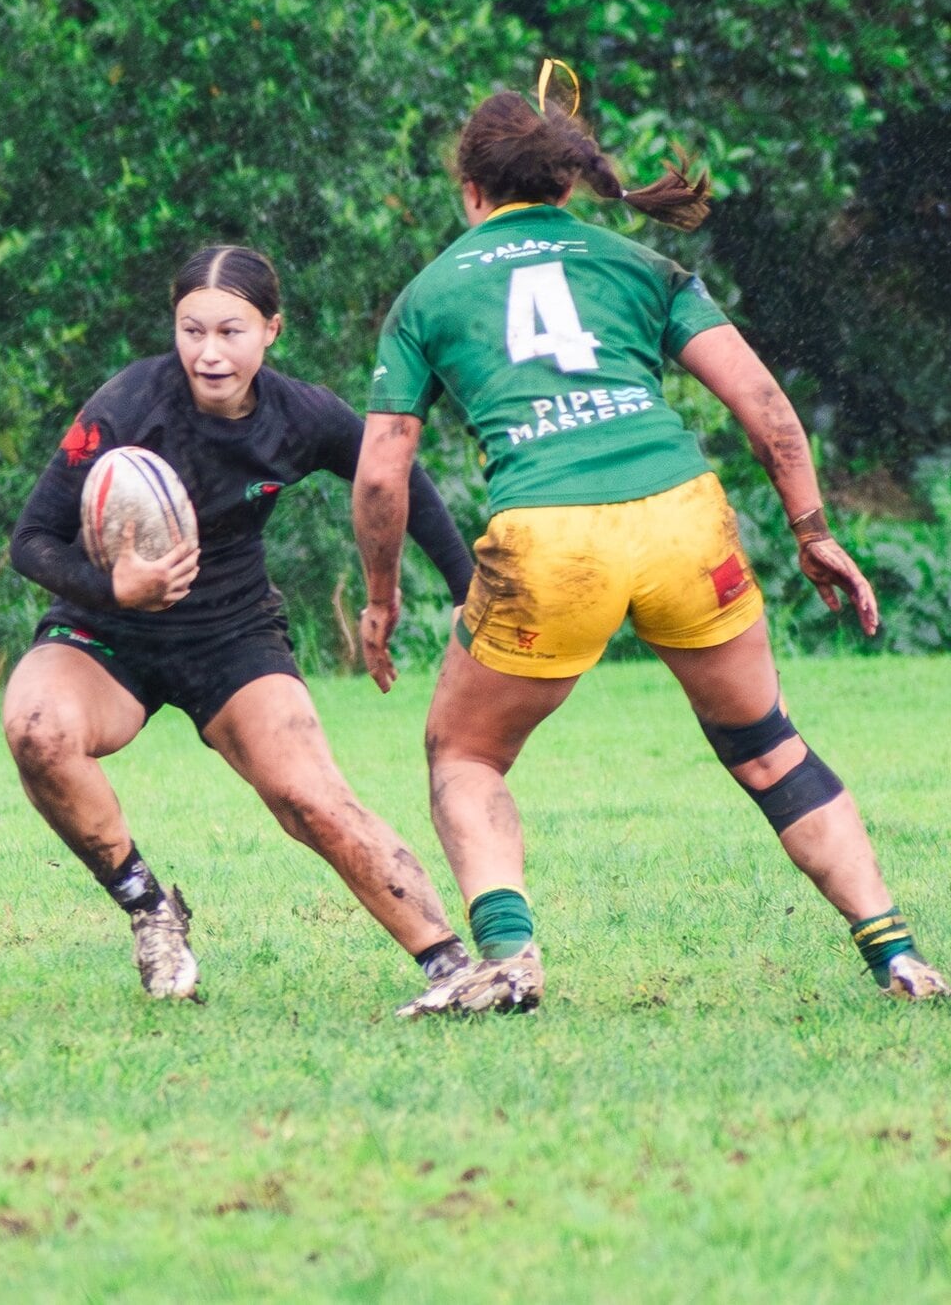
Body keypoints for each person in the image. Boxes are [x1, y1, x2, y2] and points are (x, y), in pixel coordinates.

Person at [351, 73, 946, 1016]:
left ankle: (508, 959)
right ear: (565, 182)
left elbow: (384, 475)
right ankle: (898, 954)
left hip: (549, 539)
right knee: (768, 745)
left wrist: (381, 598)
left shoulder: (430, 293)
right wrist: (813, 530)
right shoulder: (640, 265)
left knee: (464, 754)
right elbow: (764, 406)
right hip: (681, 515)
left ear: (470, 190)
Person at [0, 244, 479, 1003]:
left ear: (271, 331)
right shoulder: (127, 405)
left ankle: (453, 968)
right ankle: (151, 911)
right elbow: (31, 539)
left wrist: (462, 587)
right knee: (36, 732)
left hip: (232, 633)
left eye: (231, 331)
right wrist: (113, 587)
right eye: (192, 331)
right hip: (107, 632)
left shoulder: (301, 414)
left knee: (311, 799)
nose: (209, 353)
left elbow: (392, 473)